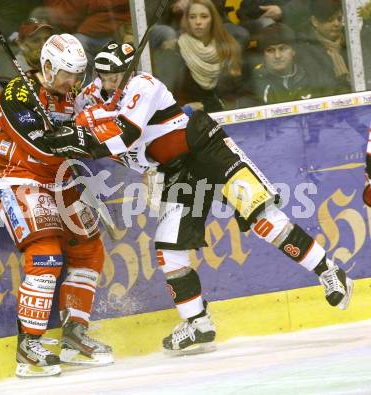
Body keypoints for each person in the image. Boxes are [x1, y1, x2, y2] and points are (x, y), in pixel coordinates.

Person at [46, 41, 354, 354]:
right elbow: (68, 123)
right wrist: (66, 130)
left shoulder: (144, 85)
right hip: (175, 170)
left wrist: (79, 134)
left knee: (260, 216)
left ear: (131, 71)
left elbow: (123, 135)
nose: (114, 83)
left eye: (119, 76)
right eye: (107, 77)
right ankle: (197, 322)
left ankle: (328, 270)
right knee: (169, 247)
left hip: (204, 146)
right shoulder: (88, 97)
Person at [0, 34, 112, 378]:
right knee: (45, 253)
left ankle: (74, 336)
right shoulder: (18, 91)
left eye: (79, 74)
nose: (74, 81)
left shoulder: (72, 93)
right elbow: (38, 147)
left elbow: (99, 127)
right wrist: (76, 138)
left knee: (90, 248)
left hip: (58, 175)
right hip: (15, 174)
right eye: (68, 73)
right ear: (48, 66)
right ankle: (29, 346)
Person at [154, 0, 242, 113]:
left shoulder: (228, 48)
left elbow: (239, 94)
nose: (198, 22)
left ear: (213, 20)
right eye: (192, 17)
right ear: (186, 20)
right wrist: (186, 109)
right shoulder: (173, 52)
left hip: (224, 115)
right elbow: (163, 101)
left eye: (204, 16)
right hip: (187, 119)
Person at [250, 23, 320, 104]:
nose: (277, 56)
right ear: (263, 55)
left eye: (282, 48)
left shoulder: (312, 75)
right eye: (270, 50)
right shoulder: (254, 85)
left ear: (293, 51)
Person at [296, 0, 351, 96]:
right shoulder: (304, 49)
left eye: (339, 19)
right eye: (330, 20)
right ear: (315, 21)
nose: (337, 24)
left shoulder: (350, 41)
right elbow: (321, 87)